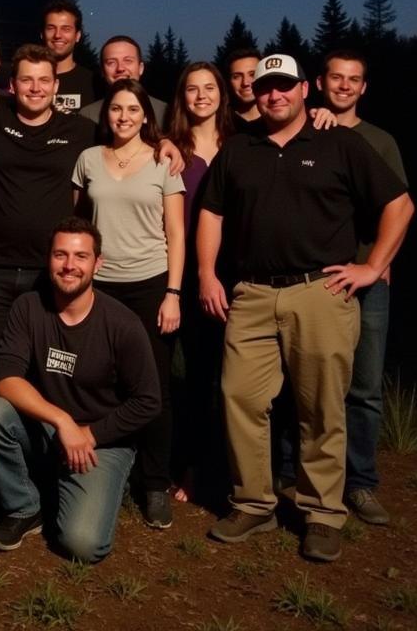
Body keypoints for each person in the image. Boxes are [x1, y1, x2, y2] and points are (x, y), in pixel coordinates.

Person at [198, 54, 414, 563]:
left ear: (303, 90)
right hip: (251, 293)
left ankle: (321, 512)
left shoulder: (339, 142)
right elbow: (211, 211)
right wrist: (208, 273)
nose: (275, 96)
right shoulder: (239, 150)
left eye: (284, 87)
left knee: (321, 408)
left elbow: (400, 204)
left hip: (320, 291)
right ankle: (254, 502)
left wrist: (371, 266)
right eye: (266, 88)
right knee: (240, 398)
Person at [0, 219, 161, 562]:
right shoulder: (29, 307)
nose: (69, 265)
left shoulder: (122, 324)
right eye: (61, 255)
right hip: (51, 428)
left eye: (80, 256)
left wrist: (90, 433)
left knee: (83, 545)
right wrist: (62, 421)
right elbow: (7, 378)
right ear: (49, 259)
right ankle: (25, 507)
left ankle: (105, 481)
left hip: (102, 440)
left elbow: (148, 401)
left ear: (97, 264)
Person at [281, 49, 407, 526]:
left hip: (363, 280)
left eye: (355, 79)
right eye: (337, 78)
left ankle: (359, 483)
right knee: (304, 383)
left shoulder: (379, 141)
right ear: (319, 82)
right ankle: (293, 472)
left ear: (364, 87)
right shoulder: (307, 130)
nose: (345, 86)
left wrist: (376, 264)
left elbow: (398, 206)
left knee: (364, 388)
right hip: (315, 280)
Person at [0, 44, 95, 404]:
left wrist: (166, 144)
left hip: (48, 273)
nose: (35, 88)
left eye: (44, 80)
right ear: (11, 84)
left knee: (44, 372)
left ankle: (35, 452)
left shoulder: (81, 130)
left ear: (56, 86)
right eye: (27, 80)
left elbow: (131, 139)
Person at [72, 79, 185, 529]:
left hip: (149, 285)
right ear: (107, 114)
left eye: (132, 110)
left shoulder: (163, 160)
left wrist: (173, 293)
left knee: (152, 387)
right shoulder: (87, 160)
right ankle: (100, 472)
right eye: (116, 109)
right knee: (98, 380)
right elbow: (78, 221)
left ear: (145, 115)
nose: (123, 117)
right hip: (99, 287)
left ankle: (155, 483)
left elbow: (176, 233)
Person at [165, 62, 236, 504]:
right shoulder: (171, 149)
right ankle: (187, 469)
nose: (201, 96)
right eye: (192, 89)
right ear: (182, 97)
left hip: (236, 275)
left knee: (231, 381)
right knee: (191, 380)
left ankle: (229, 470)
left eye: (209, 88)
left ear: (221, 94)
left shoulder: (244, 142)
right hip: (186, 275)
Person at [78, 36, 167, 128]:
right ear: (103, 71)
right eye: (111, 62)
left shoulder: (164, 112)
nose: (120, 68)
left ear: (141, 68)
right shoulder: (88, 115)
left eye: (128, 61)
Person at [41, 0, 98, 114]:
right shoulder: (29, 81)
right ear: (42, 34)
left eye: (66, 29)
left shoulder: (93, 83)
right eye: (51, 28)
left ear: (77, 36)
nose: (57, 35)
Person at [224, 49, 263, 134]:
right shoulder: (221, 123)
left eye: (252, 74)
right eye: (237, 77)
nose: (245, 82)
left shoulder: (277, 120)